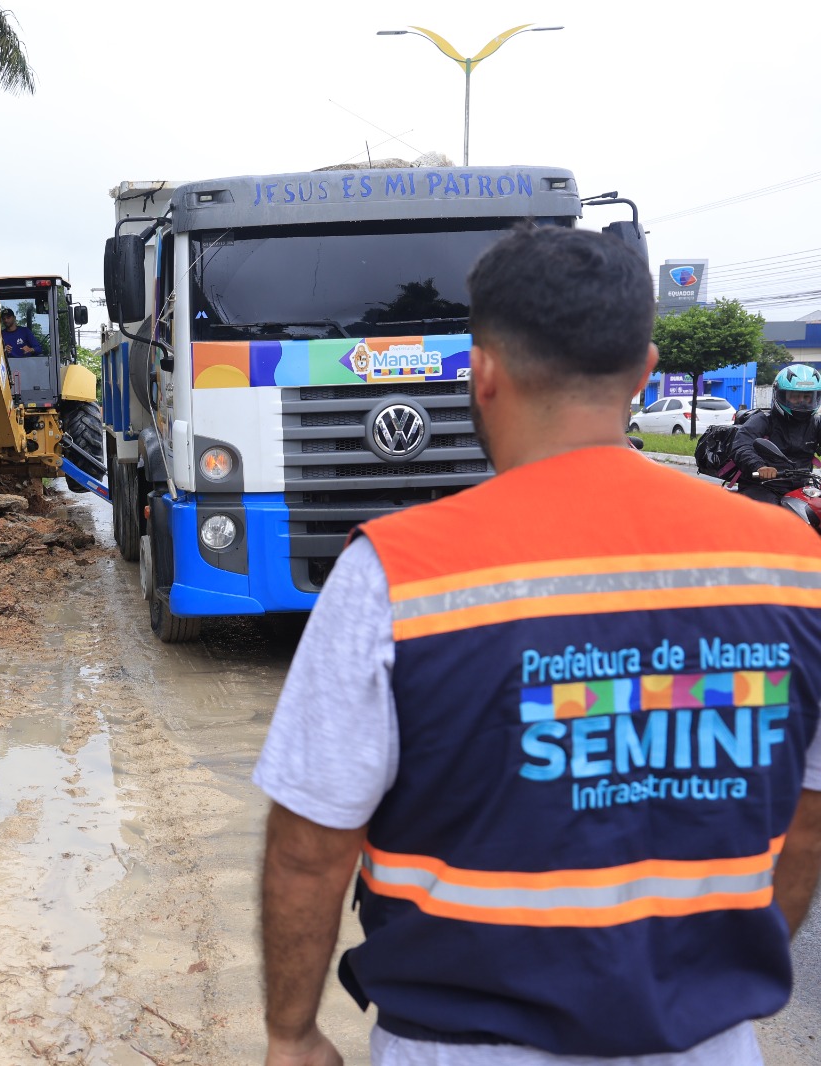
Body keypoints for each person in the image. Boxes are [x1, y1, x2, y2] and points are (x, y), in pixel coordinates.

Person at [253, 226, 821, 1066]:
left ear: (483, 372)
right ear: (644, 368)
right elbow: (806, 827)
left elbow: (310, 850)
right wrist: (703, 987)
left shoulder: (393, 572)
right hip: (706, 1042)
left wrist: (291, 1033)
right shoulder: (795, 567)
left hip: (458, 1044)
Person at [731, 364, 821, 501]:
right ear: (779, 394)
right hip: (763, 485)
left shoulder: (816, 423)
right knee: (770, 518)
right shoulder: (763, 420)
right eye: (795, 396)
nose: (801, 402)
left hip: (802, 486)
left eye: (807, 397)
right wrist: (759, 466)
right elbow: (742, 445)